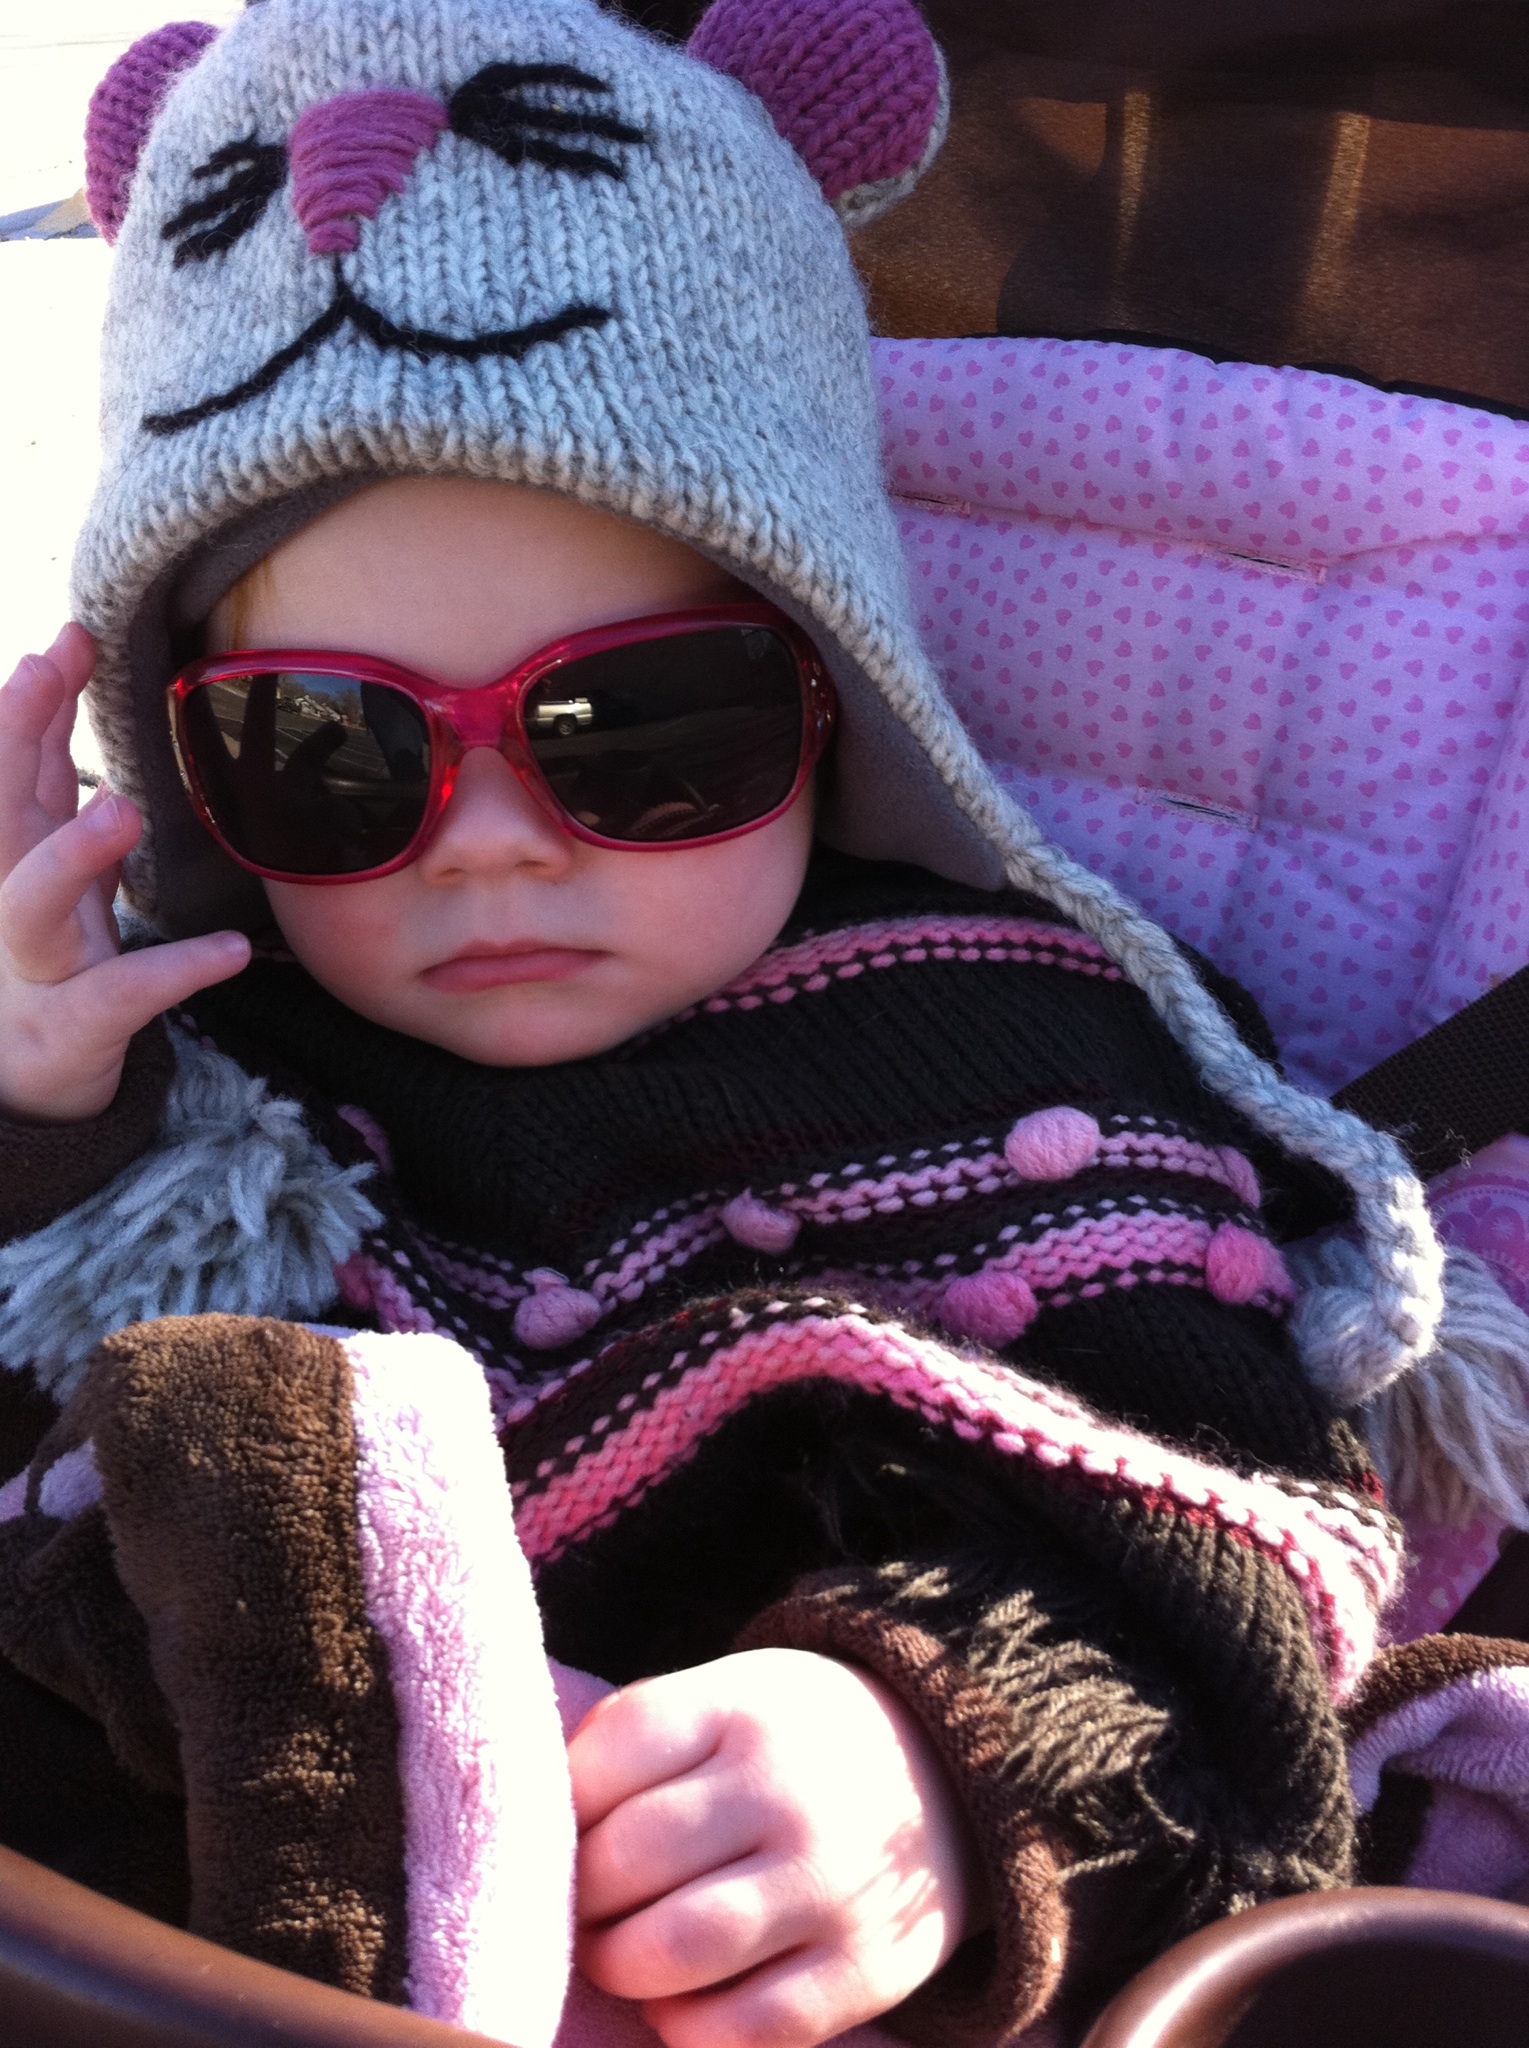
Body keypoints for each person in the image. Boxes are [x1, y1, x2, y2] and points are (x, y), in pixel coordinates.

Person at [0, 0, 1448, 2043]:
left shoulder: (1016, 1057)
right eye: (327, 749)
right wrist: (49, 1110)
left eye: (640, 728)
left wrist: (943, 1757)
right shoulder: (216, 1064)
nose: (488, 844)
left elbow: (1232, 1553)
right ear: (182, 773)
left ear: (834, 703)